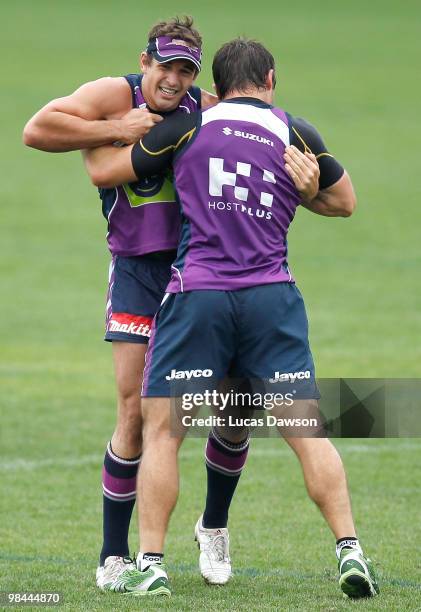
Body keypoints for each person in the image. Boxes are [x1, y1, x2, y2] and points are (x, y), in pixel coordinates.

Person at [83, 38, 380, 600]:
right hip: (272, 298)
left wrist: (113, 130)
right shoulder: (296, 132)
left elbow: (110, 172)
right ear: (271, 77)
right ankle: (349, 548)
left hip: (199, 295)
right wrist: (309, 189)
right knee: (306, 430)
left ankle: (150, 562)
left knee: (164, 430)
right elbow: (345, 203)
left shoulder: (188, 126)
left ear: (212, 85)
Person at [22, 15, 256, 594]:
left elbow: (261, 136)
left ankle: (215, 524)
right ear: (145, 60)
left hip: (202, 272)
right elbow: (38, 129)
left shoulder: (206, 105)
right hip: (135, 274)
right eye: (165, 66)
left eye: (185, 70)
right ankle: (113, 555)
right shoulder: (113, 94)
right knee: (133, 411)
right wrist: (118, 126)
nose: (173, 81)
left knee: (234, 405)